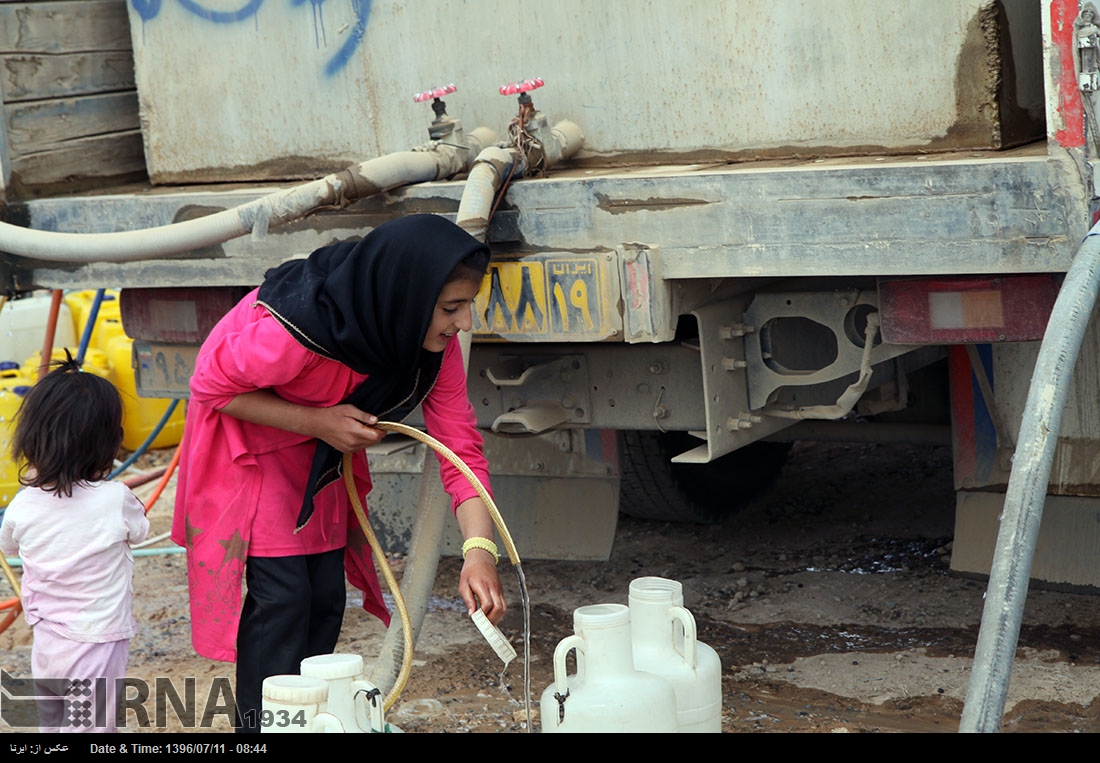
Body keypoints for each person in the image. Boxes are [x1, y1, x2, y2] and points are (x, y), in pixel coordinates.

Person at [171, 214, 507, 733]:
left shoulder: (423, 350)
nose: (464, 323)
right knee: (284, 600)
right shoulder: (298, 329)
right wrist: (316, 421)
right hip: (251, 440)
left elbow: (460, 449)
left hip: (322, 444)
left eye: (467, 306)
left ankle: (305, 724)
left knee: (324, 598)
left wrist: (478, 552)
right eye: (450, 308)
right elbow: (211, 388)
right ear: (406, 297)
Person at [0, 357, 149, 733]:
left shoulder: (22, 504)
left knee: (53, 722)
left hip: (47, 636)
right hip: (97, 637)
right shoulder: (115, 499)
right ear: (108, 440)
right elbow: (141, 531)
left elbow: (10, 547)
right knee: (93, 727)